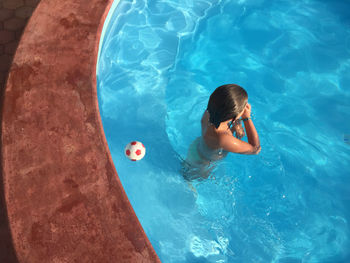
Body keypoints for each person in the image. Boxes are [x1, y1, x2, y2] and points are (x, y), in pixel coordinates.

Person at [181, 84, 261, 184]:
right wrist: (246, 118)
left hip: (196, 149)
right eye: (243, 108)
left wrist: (235, 124)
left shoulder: (209, 113)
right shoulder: (223, 138)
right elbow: (256, 149)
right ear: (234, 115)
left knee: (185, 169)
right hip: (202, 165)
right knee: (189, 181)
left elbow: (221, 129)